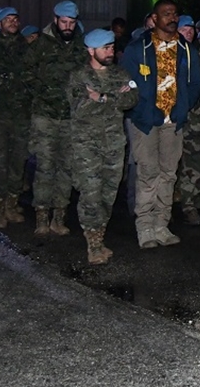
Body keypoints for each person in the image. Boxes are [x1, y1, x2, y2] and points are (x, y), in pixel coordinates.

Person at [121, 0, 200, 248]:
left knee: (168, 174)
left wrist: (181, 108)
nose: (172, 18)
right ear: (154, 19)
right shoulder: (138, 48)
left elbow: (196, 84)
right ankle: (145, 227)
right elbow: (127, 85)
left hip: (173, 122)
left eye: (175, 14)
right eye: (166, 14)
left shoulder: (186, 50)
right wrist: (141, 111)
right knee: (148, 174)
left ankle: (161, 224)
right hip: (145, 122)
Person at [69, 29, 138, 264]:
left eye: (111, 47)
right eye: (105, 48)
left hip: (114, 143)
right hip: (86, 145)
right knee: (91, 193)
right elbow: (79, 107)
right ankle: (93, 244)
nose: (110, 52)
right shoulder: (79, 76)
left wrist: (101, 97)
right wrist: (111, 98)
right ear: (91, 50)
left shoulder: (120, 73)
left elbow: (132, 99)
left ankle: (100, 236)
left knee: (109, 193)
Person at [24, 0, 87, 237]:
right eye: (64, 22)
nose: (68, 26)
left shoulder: (83, 46)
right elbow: (26, 72)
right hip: (45, 116)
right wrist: (42, 93)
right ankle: (41, 215)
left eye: (72, 22)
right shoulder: (41, 44)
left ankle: (59, 216)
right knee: (45, 166)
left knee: (67, 167)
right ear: (55, 19)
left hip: (72, 117)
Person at [0, 6, 31, 228]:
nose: (12, 22)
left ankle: (12, 205)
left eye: (15, 18)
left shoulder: (28, 49)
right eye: (8, 19)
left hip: (21, 114)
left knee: (18, 161)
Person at [172, 16, 200, 226]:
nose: (189, 33)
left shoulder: (199, 56)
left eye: (191, 29)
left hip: (193, 117)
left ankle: (190, 205)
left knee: (193, 163)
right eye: (184, 29)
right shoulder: (165, 53)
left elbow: (198, 87)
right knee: (168, 164)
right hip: (169, 117)